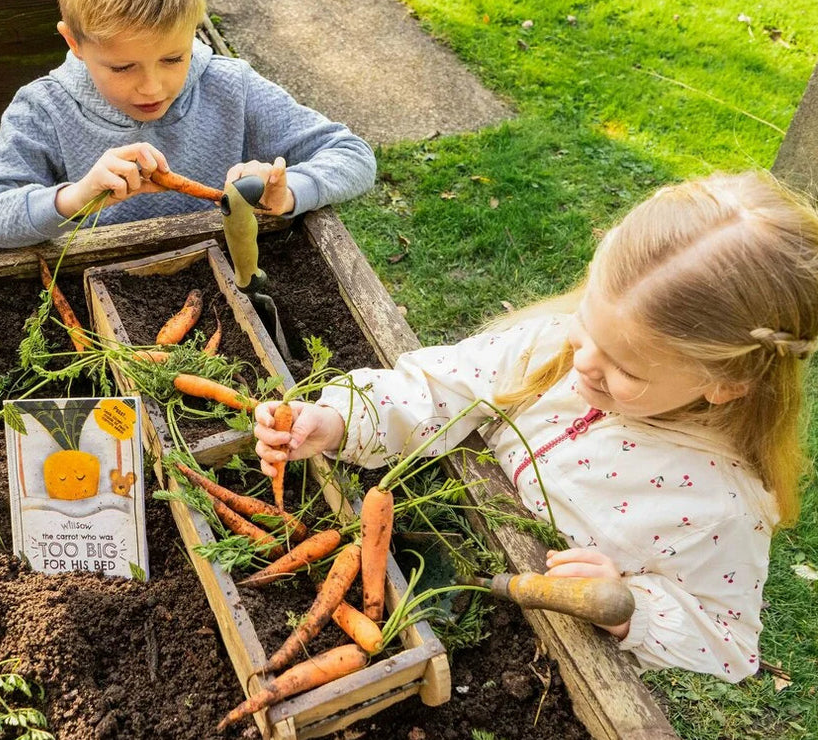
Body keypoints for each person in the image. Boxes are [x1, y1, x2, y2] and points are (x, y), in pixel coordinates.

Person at [253, 171, 818, 683]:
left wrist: (629, 606)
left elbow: (726, 641)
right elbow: (440, 387)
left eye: (624, 367)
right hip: (447, 522)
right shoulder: (549, 347)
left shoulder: (718, 509)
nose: (583, 364)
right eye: (585, 325)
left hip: (532, 634)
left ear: (723, 384)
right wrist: (335, 420)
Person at [0, 0, 376, 249]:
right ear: (74, 43)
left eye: (173, 59)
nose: (152, 87)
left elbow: (353, 155)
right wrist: (75, 198)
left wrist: (287, 193)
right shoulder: (42, 109)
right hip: (90, 283)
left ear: (194, 31)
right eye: (122, 66)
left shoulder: (230, 84)